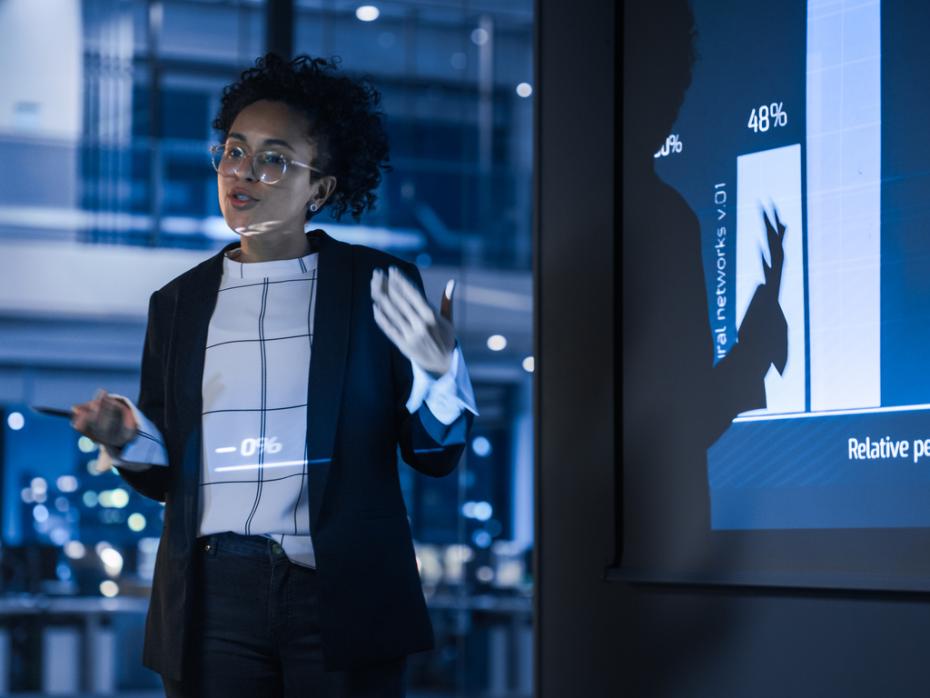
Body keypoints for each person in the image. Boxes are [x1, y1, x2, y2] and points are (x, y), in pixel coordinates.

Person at [69, 53, 478, 698]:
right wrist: (125, 437)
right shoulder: (176, 303)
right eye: (234, 150)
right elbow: (166, 474)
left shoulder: (377, 286)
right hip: (213, 597)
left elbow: (434, 457)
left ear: (320, 189)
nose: (244, 172)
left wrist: (439, 374)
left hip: (341, 590)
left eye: (275, 158)